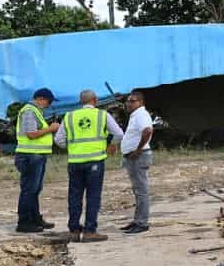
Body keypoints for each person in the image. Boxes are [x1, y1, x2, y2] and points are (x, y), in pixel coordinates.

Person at [55, 89, 123, 242]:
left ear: (81, 101)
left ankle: (73, 231)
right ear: (95, 100)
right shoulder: (102, 115)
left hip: (74, 162)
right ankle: (89, 231)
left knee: (74, 196)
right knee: (93, 197)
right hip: (95, 162)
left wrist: (73, 147)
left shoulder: (69, 116)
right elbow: (119, 134)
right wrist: (111, 145)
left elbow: (58, 140)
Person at [14, 88, 60, 233]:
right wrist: (51, 128)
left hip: (36, 155)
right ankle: (24, 222)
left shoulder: (35, 112)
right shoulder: (29, 111)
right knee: (29, 190)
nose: (49, 105)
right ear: (40, 99)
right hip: (30, 155)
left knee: (35, 189)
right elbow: (31, 134)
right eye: (49, 101)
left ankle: (35, 218)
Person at [121, 90, 154, 234]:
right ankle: (137, 220)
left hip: (138, 156)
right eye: (128, 101)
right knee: (138, 190)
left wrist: (138, 149)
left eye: (132, 101)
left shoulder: (141, 114)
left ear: (140, 103)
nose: (128, 103)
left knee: (141, 191)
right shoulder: (135, 115)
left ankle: (142, 223)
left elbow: (147, 131)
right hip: (133, 156)